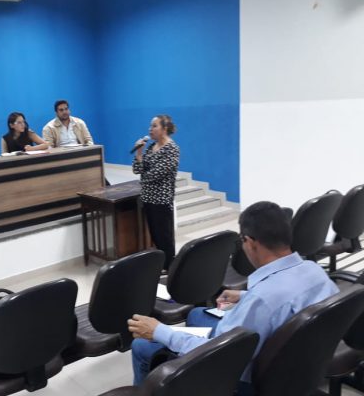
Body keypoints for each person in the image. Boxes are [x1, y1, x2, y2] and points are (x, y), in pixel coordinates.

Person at [128, 201, 339, 394]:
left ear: (250, 242)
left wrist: (160, 331)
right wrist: (245, 296)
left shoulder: (262, 300)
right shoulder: (315, 272)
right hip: (297, 364)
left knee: (141, 346)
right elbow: (286, 301)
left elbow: (222, 353)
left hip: (247, 377)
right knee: (197, 314)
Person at [132, 115, 180, 269]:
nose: (150, 129)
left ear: (164, 129)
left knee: (165, 238)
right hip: (148, 199)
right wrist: (139, 153)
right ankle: (161, 266)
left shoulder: (171, 149)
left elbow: (154, 175)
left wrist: (143, 176)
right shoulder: (151, 146)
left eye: (154, 126)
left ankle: (170, 268)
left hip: (161, 201)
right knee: (155, 236)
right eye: (150, 126)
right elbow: (137, 169)